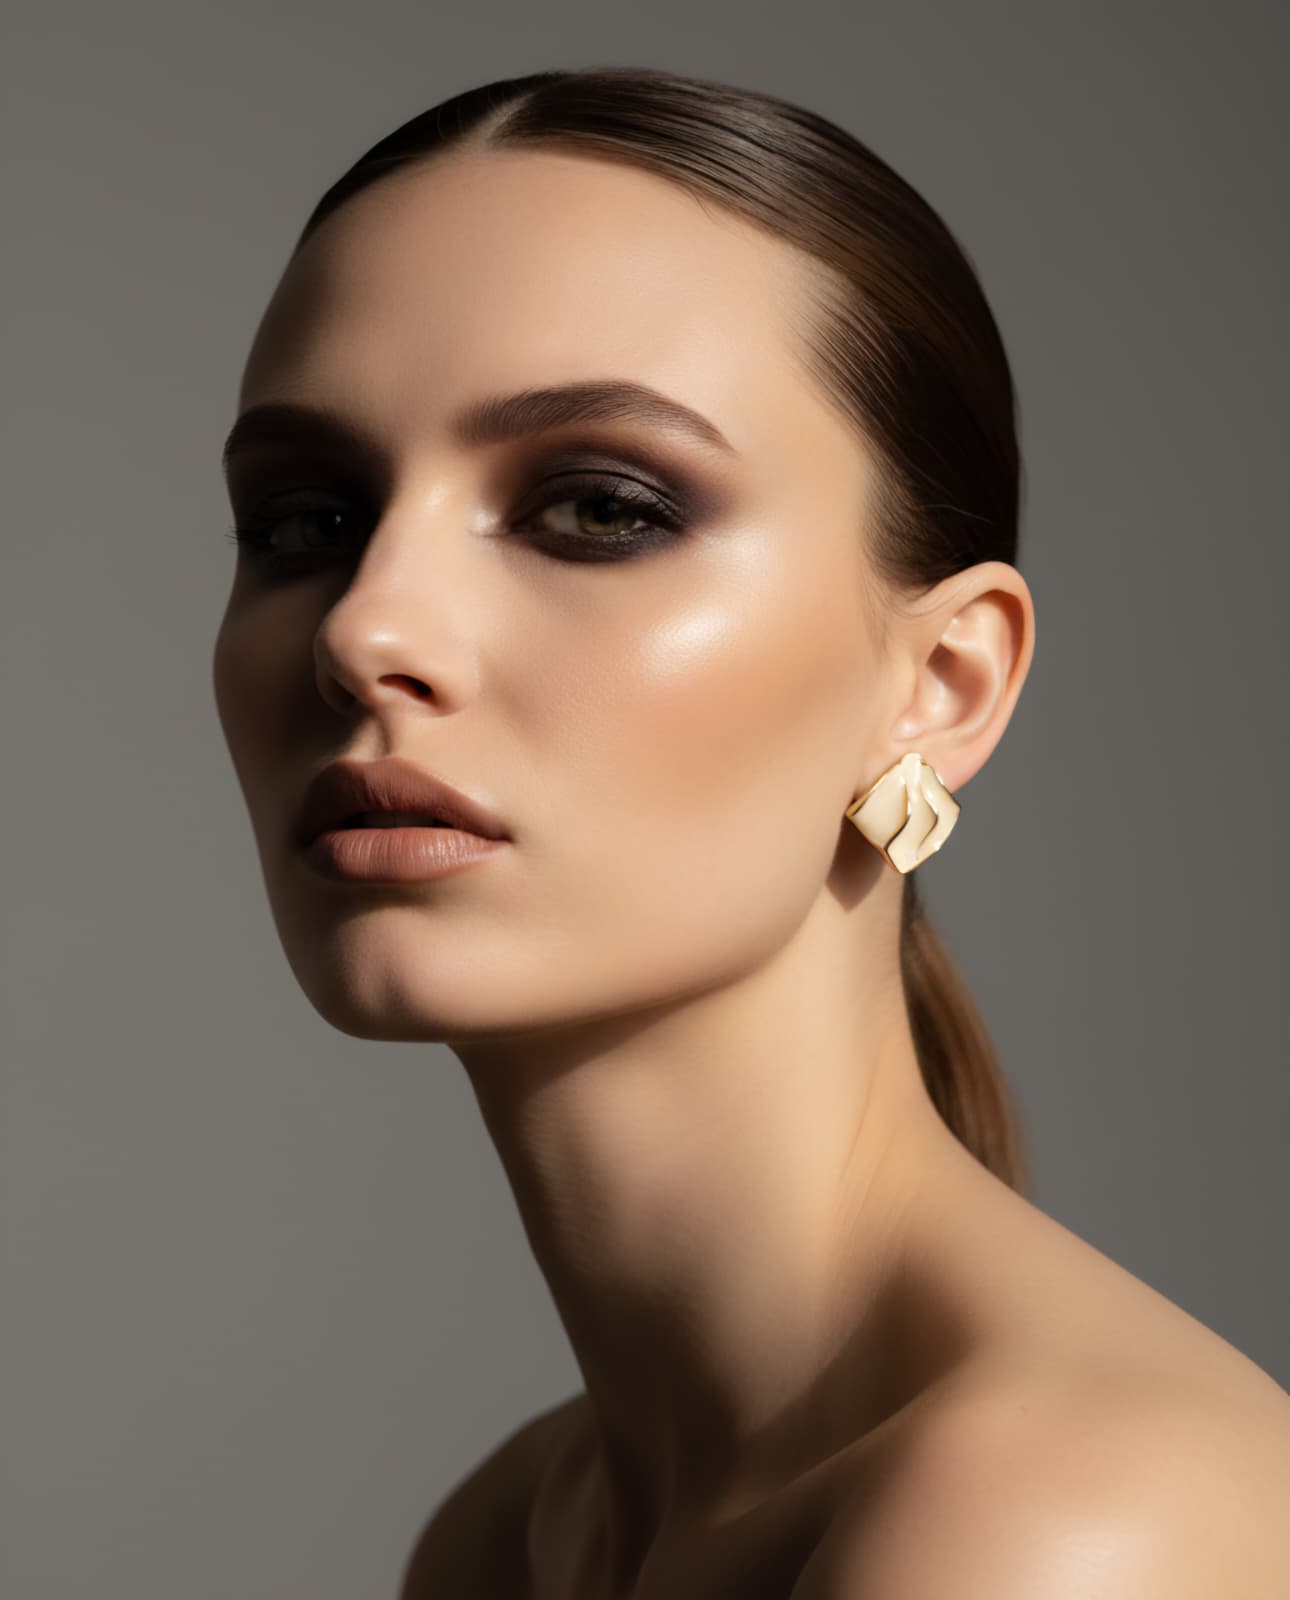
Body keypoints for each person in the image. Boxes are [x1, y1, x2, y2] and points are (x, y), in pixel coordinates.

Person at [211, 64, 1290, 1600]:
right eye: (306, 520)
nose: (367, 628)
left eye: (598, 508)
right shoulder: (508, 1539)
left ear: (936, 683)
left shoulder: (1067, 1531)